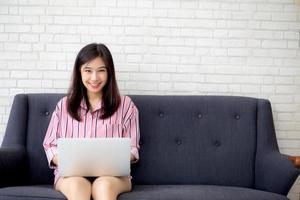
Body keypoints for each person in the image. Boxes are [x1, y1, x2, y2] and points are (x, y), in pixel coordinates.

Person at [43, 43, 140, 200]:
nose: (94, 78)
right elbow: (50, 145)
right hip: (72, 176)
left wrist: (110, 164)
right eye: (88, 70)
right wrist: (69, 164)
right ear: (79, 72)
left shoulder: (126, 105)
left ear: (109, 73)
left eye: (101, 70)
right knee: (77, 187)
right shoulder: (63, 106)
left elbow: (133, 148)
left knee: (103, 186)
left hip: (113, 178)